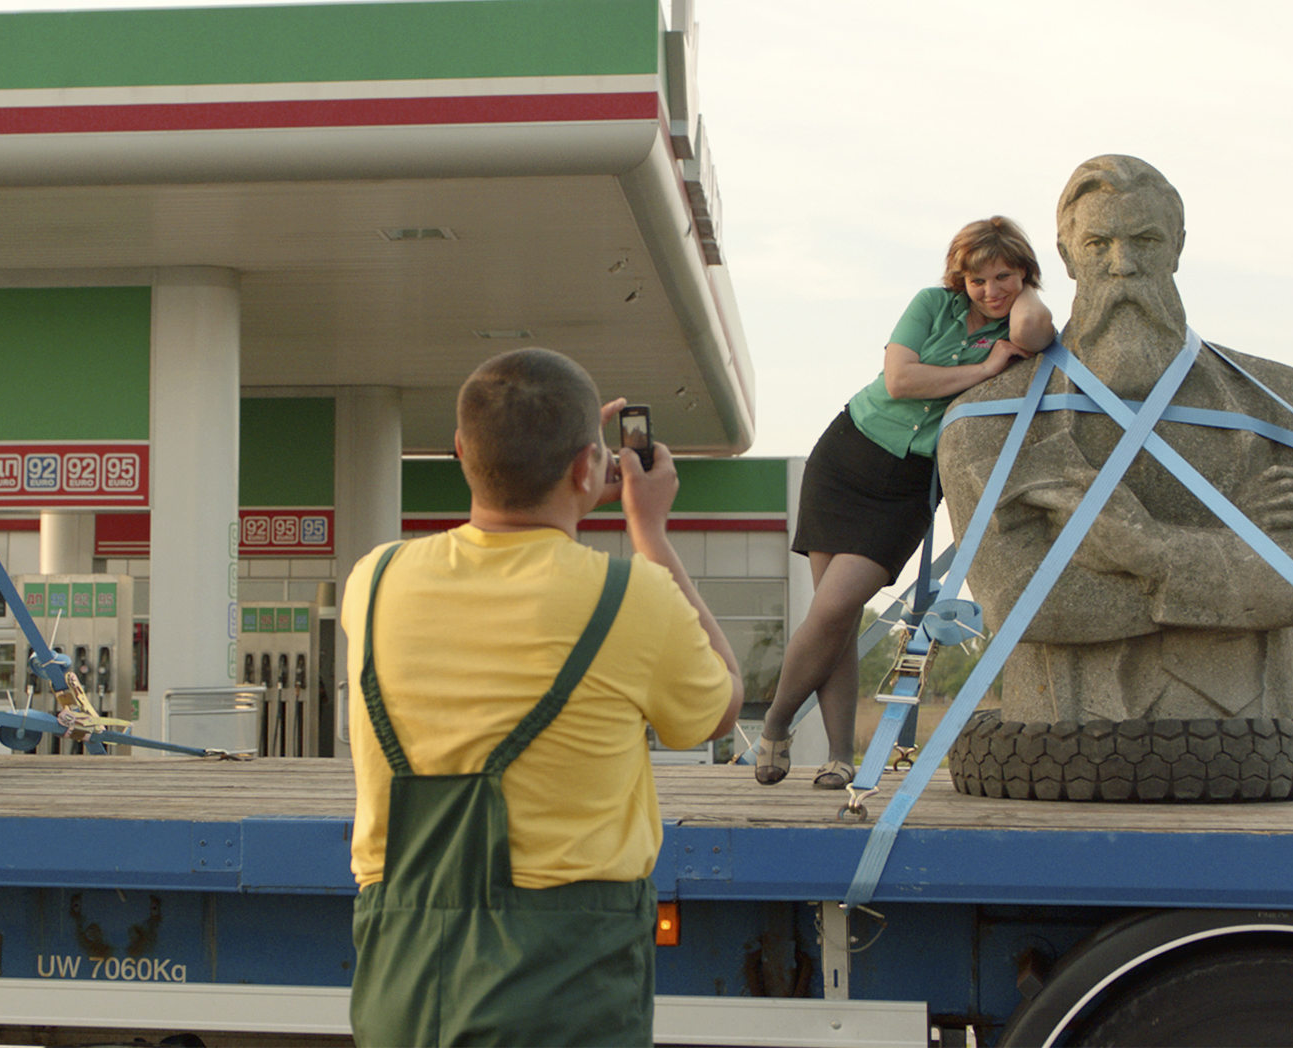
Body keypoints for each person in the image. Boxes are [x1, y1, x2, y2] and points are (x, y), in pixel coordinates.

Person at [343, 347, 740, 1047]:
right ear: (590, 468)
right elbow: (720, 707)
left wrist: (558, 459)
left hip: (403, 977)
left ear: (461, 451)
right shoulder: (632, 595)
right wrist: (649, 532)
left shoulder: (375, 580)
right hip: (568, 980)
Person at [936, 157, 1293, 740]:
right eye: (1098, 243)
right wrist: (1234, 557)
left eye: (1146, 240)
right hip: (1055, 750)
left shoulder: (1279, 399)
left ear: (1177, 247)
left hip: (1260, 753)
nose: (1123, 264)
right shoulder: (987, 420)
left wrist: (1147, 548)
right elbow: (1021, 602)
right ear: (1066, 256)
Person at [756, 217, 1055, 788]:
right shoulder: (932, 305)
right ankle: (839, 755)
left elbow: (1035, 326)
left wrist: (1027, 291)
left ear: (1024, 273)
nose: (990, 291)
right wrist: (985, 368)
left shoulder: (1022, 325)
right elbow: (899, 381)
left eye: (1004, 277)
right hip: (847, 456)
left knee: (834, 607)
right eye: (977, 280)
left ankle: (775, 723)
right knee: (836, 617)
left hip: (910, 485)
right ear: (959, 279)